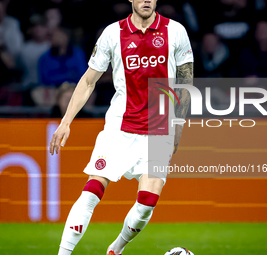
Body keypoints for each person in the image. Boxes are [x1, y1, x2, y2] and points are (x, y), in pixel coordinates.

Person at [49, 0, 194, 255]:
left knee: (147, 203)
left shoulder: (176, 31)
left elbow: (185, 80)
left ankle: (115, 249)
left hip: (159, 127)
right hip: (120, 126)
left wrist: (179, 124)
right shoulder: (112, 34)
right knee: (93, 189)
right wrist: (66, 121)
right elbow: (88, 81)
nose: (146, 0)